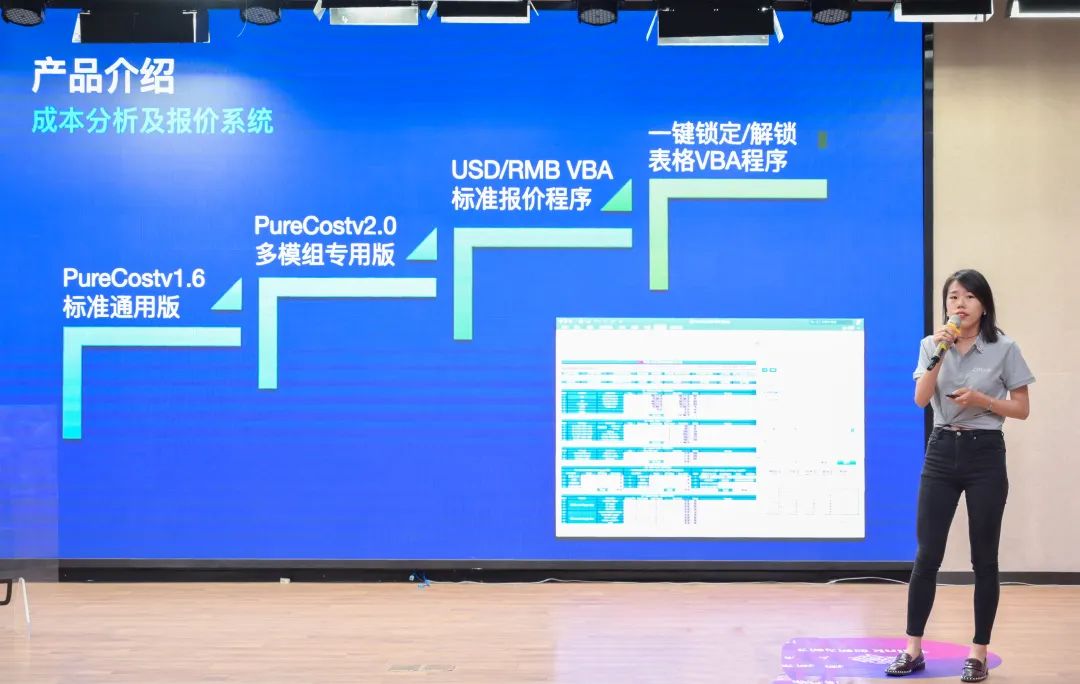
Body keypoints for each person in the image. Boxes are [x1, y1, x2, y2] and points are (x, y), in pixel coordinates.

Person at [885, 269, 1034, 682]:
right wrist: (940, 353)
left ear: (984, 304)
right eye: (953, 297)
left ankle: (978, 653)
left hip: (985, 453)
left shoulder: (1005, 347)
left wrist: (984, 400)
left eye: (969, 297)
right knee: (927, 555)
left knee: (984, 558)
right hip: (941, 450)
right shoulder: (931, 345)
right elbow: (920, 399)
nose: (960, 304)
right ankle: (912, 649)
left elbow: (1022, 409)